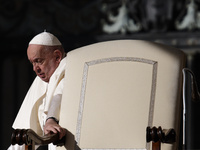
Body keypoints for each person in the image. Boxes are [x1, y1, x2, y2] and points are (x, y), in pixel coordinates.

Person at [8, 31, 67, 150]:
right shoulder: (40, 81)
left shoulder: (70, 68)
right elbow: (28, 136)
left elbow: (59, 95)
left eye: (39, 61)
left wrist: (51, 119)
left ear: (57, 56)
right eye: (32, 63)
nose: (35, 69)